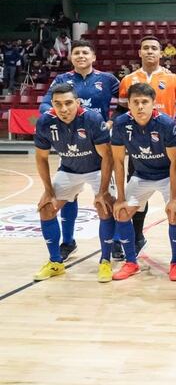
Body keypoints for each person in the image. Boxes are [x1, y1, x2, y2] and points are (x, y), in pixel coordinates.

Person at [38, 39, 120, 261]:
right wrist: (61, 115)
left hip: (98, 140)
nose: (81, 56)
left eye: (85, 52)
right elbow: (45, 105)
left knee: (107, 197)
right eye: (76, 53)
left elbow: (124, 104)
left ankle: (115, 241)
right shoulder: (62, 80)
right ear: (70, 57)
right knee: (68, 195)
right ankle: (68, 241)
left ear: (94, 57)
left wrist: (111, 121)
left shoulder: (108, 79)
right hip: (71, 140)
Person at [117, 35, 176, 256]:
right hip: (138, 147)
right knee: (138, 197)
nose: (150, 51)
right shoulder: (128, 80)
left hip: (167, 146)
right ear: (139, 52)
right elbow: (122, 112)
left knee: (175, 198)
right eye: (146, 48)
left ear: (161, 53)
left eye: (154, 48)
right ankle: (138, 237)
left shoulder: (173, 79)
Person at [32, 83, 114, 282]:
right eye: (58, 104)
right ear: (52, 104)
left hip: (96, 169)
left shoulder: (92, 119)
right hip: (69, 170)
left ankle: (105, 261)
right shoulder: (45, 122)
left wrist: (102, 191)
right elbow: (41, 158)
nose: (63, 109)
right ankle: (55, 262)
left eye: (68, 103)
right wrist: (48, 191)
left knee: (105, 207)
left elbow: (108, 157)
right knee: (46, 208)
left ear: (78, 103)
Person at [110, 83, 176, 282]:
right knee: (122, 212)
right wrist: (120, 197)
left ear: (153, 104)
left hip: (167, 175)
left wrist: (174, 198)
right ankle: (131, 263)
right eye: (136, 102)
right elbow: (118, 161)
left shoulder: (166, 124)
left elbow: (175, 164)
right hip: (141, 175)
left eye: (145, 102)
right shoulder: (120, 123)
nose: (140, 106)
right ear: (130, 105)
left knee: (174, 212)